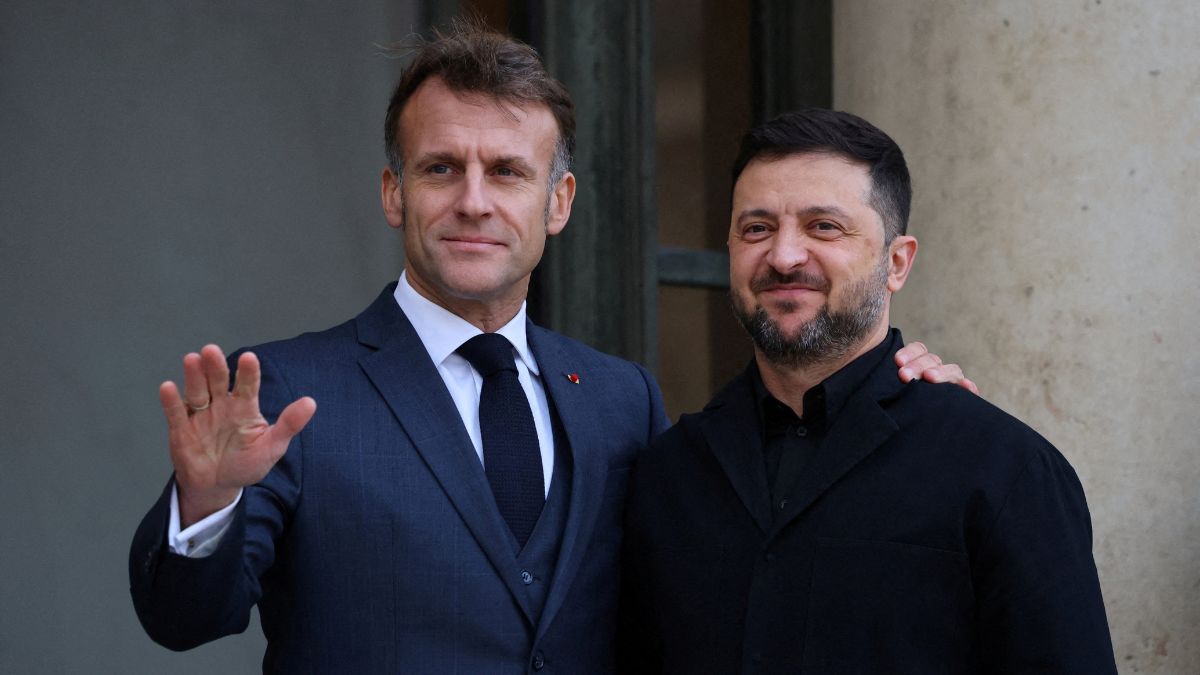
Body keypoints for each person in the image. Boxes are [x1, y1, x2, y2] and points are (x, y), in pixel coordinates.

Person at [129, 24, 964, 674]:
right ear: (394, 192)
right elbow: (184, 619)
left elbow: (740, 549)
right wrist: (204, 509)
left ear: (557, 201)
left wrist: (891, 397)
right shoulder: (284, 390)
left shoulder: (619, 397)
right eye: (440, 168)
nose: (474, 201)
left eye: (507, 171)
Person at [621, 109, 1117, 673]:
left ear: (897, 262)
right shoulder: (669, 473)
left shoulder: (1004, 469)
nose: (783, 256)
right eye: (756, 228)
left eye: (823, 226)